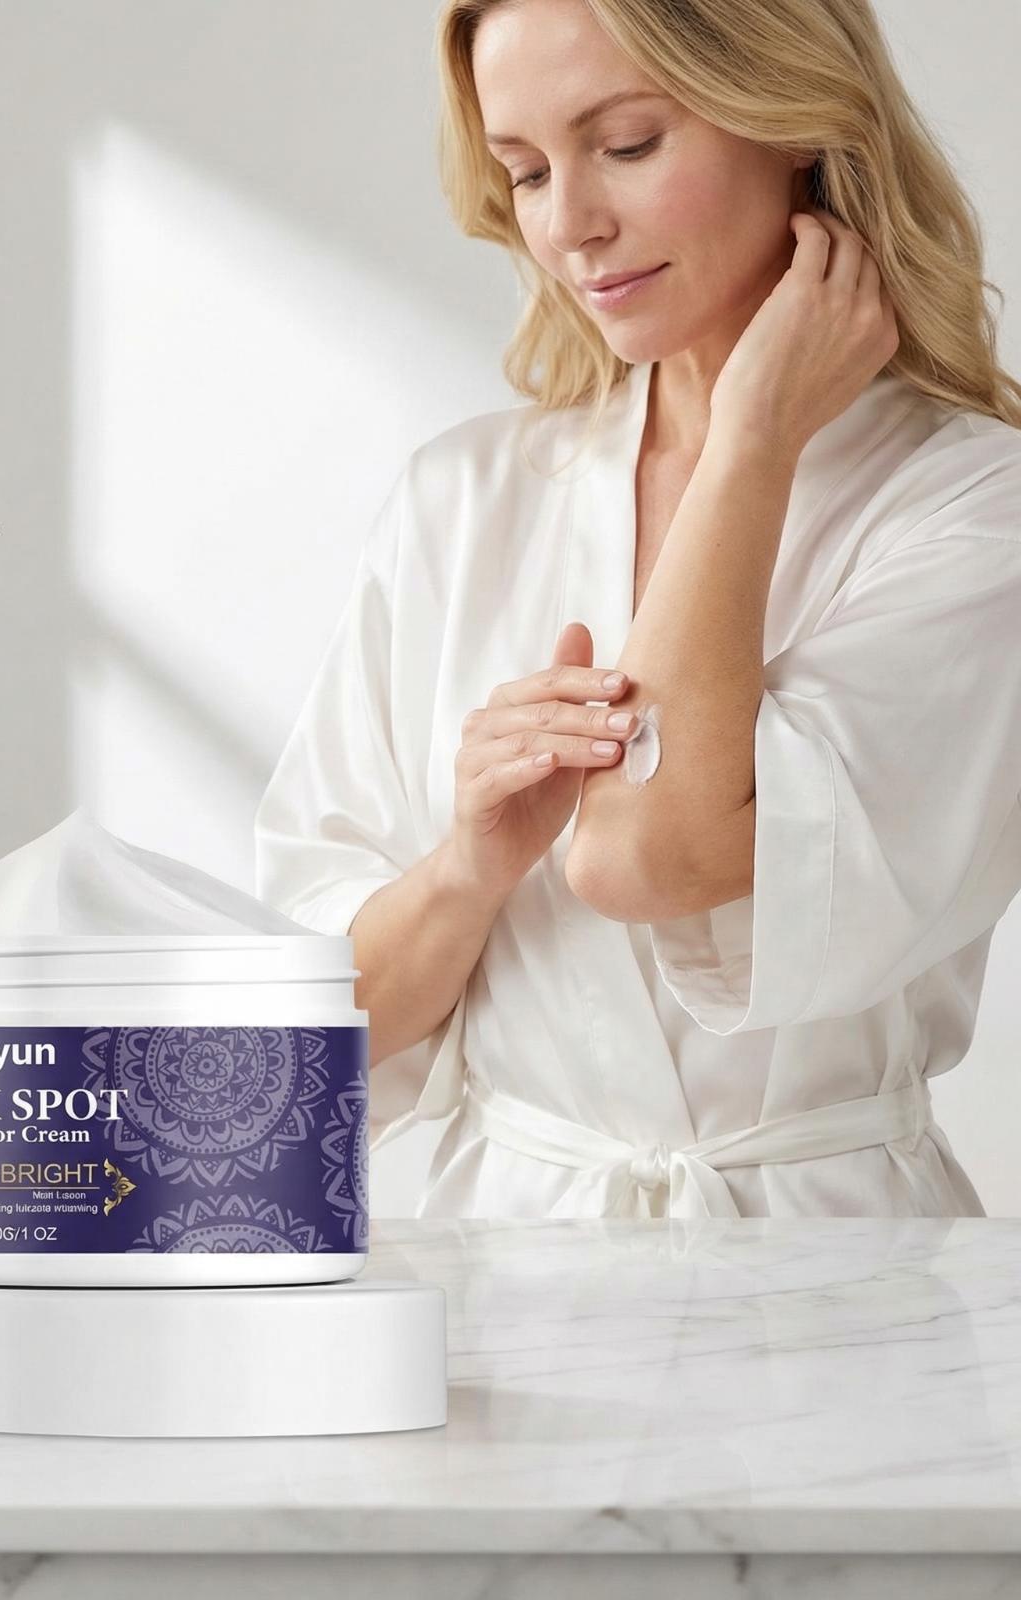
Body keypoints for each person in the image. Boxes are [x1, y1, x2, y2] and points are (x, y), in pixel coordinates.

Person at [253, 0, 1021, 1219]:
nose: (570, 224)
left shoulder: (972, 507)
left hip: (837, 1261)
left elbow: (648, 856)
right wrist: (470, 866)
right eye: (525, 172)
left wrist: (751, 436)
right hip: (511, 1249)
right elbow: (307, 1037)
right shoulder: (462, 500)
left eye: (626, 144)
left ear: (795, 122)